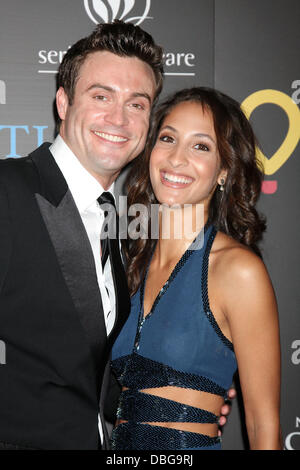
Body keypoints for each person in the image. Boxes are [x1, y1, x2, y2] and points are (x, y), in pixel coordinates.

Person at [0, 22, 232, 450]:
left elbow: (95, 372)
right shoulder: (8, 191)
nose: (119, 118)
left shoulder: (130, 228)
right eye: (101, 96)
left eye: (137, 104)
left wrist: (179, 397)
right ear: (63, 102)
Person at [110, 87, 282, 450]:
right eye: (168, 138)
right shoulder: (129, 262)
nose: (176, 158)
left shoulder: (238, 271)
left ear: (223, 171)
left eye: (200, 146)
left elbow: (262, 425)